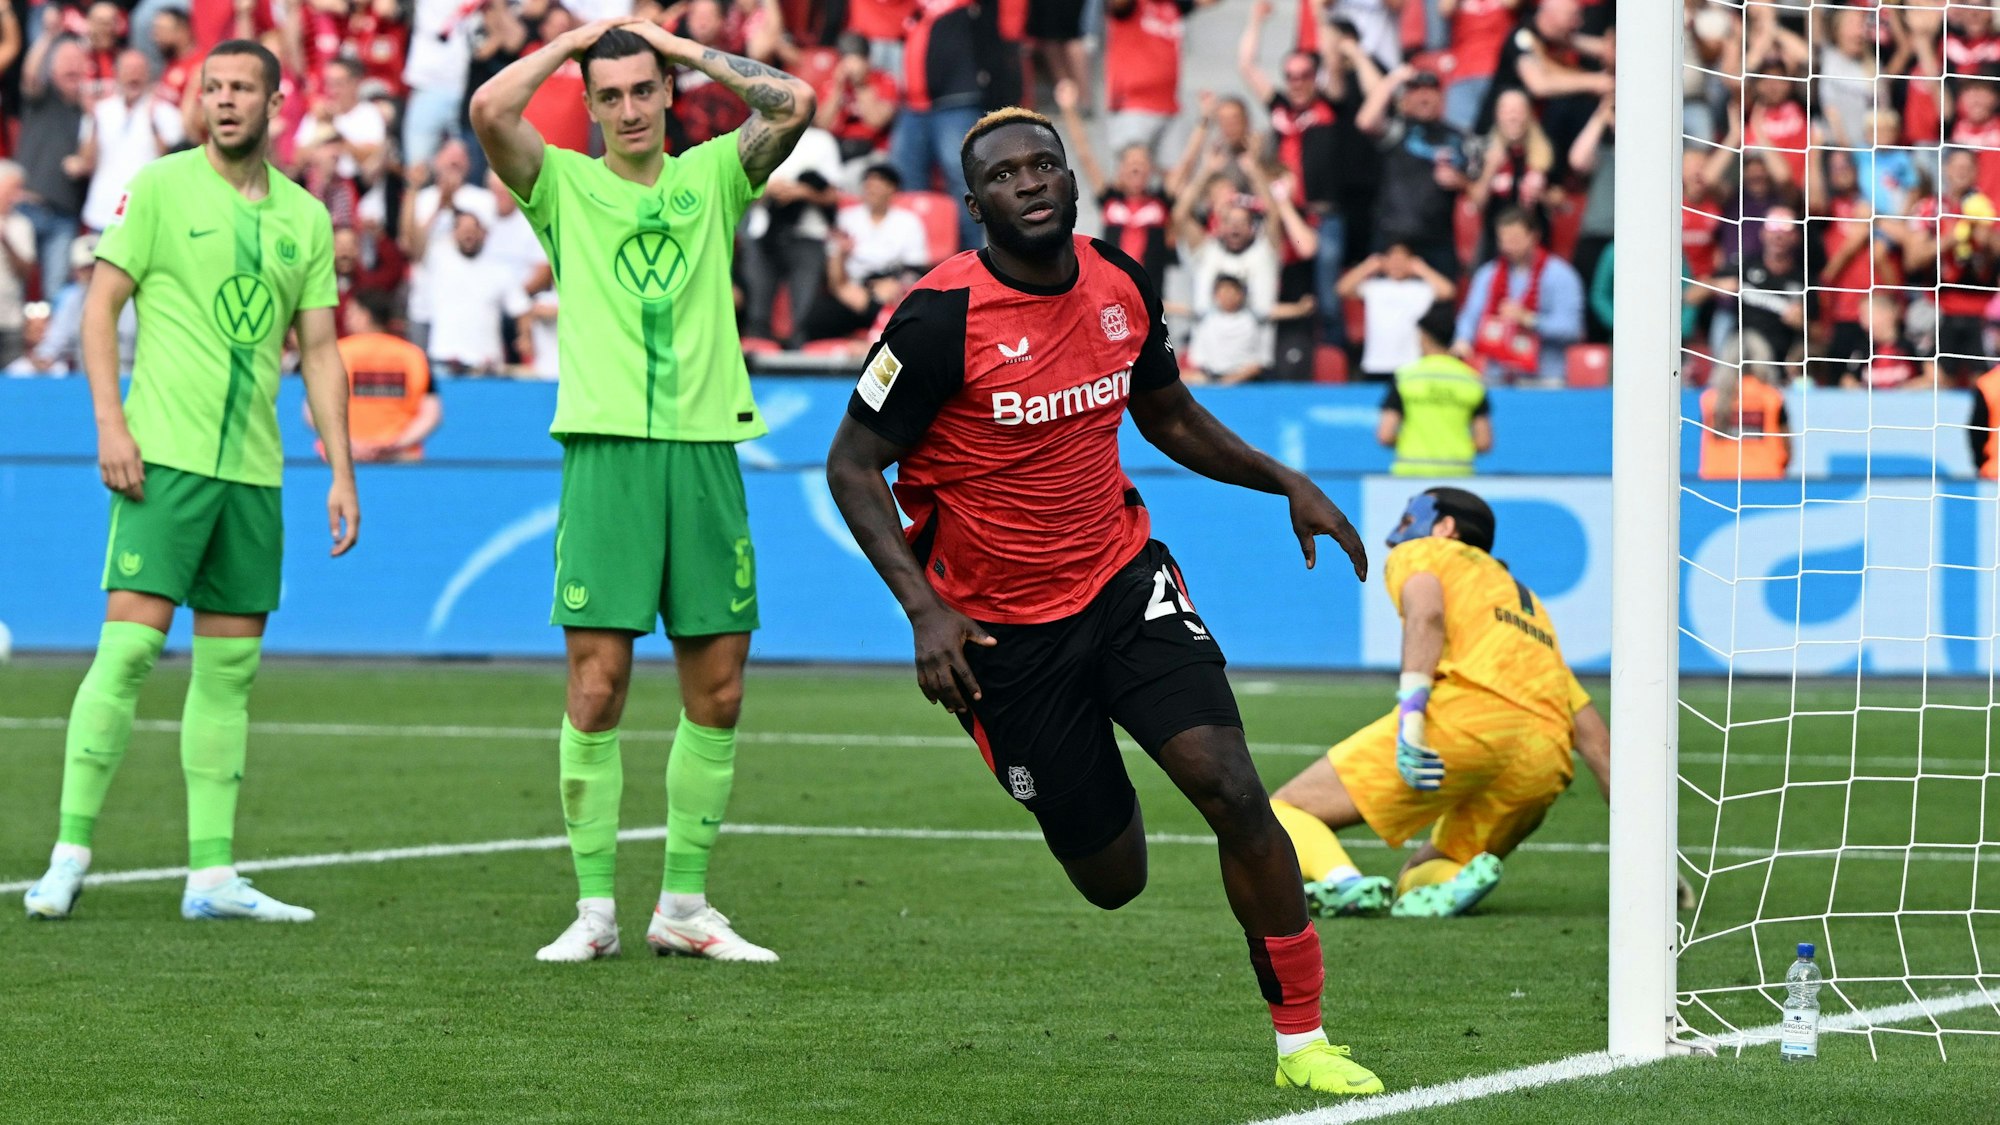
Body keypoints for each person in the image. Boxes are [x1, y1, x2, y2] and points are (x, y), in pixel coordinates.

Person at [823, 106, 1383, 1096]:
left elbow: (1161, 409)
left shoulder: (1120, 280)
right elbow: (852, 465)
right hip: (999, 633)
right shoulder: (936, 317)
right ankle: (1060, 766)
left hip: (1123, 580)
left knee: (1233, 789)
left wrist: (1280, 480)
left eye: (1045, 164)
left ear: (1071, 179)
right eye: (1004, 174)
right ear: (973, 202)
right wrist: (923, 612)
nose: (1029, 182)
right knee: (1112, 878)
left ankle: (1303, 1040)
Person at [470, 18, 815, 963]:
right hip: (608, 455)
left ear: (667, 95)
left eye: (641, 90)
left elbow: (797, 104)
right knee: (598, 686)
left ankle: (685, 907)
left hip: (705, 453)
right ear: (588, 105)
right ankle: (594, 912)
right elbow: (490, 108)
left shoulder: (713, 173)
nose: (627, 108)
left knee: (721, 691)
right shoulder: (562, 185)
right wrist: (579, 37)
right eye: (609, 94)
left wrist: (681, 45)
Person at [21, 40, 359, 924]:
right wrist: (110, 423)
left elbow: (320, 351)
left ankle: (211, 876)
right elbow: (100, 306)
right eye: (213, 87)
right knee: (127, 652)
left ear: (276, 102)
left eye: (242, 87)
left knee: (230, 669)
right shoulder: (162, 188)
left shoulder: (305, 219)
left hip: (253, 473)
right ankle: (67, 855)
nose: (225, 100)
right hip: (162, 458)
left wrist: (342, 470)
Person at [1269, 488, 1609, 918]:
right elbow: (1598, 744)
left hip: (1468, 722)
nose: (1402, 530)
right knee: (1422, 871)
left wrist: (1412, 716)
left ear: (1445, 527)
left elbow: (1425, 614)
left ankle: (1344, 883)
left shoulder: (1427, 552)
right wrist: (1650, 863)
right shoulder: (1525, 603)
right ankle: (1449, 882)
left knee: (1285, 810)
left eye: (1411, 518)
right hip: (1543, 760)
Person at [1452, 207, 1584, 386]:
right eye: (1503, 239)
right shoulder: (1488, 274)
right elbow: (1471, 315)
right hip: (1497, 375)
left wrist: (1529, 320)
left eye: (1515, 239)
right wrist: (1463, 339)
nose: (1508, 246)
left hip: (1545, 377)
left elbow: (1572, 329)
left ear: (1534, 236)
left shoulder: (1561, 275)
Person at [318, 289, 440, 462]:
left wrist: (352, 444)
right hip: (401, 457)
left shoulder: (337, 353)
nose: (346, 319)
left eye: (351, 313)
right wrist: (395, 445)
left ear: (365, 316)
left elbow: (314, 410)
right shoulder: (413, 355)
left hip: (344, 456)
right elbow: (431, 413)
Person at [1378, 303, 1491, 476]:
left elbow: (1385, 434)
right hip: (1458, 474)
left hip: (1410, 473)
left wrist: (1411, 444)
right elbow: (1484, 441)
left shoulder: (1406, 377)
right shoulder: (1471, 380)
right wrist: (1454, 447)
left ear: (1424, 337)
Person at [1337, 241, 1456, 382]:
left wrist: (1422, 269)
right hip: (1376, 363)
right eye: (1392, 259)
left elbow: (1448, 291)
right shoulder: (1374, 287)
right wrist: (1367, 267)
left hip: (1410, 363)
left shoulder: (1420, 289)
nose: (1396, 264)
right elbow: (1342, 289)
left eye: (1401, 259)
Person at [1699, 364, 1790, 481]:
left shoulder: (1709, 399)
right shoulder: (1773, 397)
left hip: (1715, 480)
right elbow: (1787, 448)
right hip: (1766, 481)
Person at [1187, 273, 1273, 383]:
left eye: (1231, 292)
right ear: (1215, 295)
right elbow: (1198, 360)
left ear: (1241, 294)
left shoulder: (1253, 320)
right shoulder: (1206, 320)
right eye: (1223, 292)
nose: (1227, 297)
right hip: (1210, 377)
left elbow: (1261, 360)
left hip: (1245, 378)